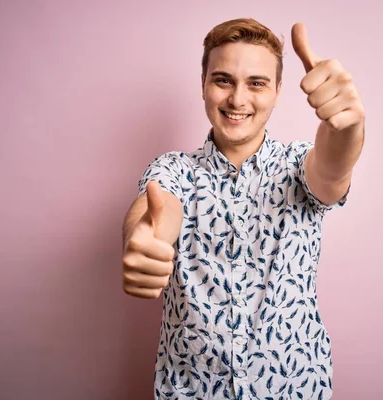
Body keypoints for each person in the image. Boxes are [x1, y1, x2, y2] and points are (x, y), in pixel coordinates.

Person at [122, 17, 365, 400]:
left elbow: (333, 170)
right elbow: (155, 211)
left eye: (256, 83)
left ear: (278, 91)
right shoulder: (173, 170)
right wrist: (144, 239)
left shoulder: (300, 165)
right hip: (190, 391)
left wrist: (346, 127)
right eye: (223, 80)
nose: (238, 99)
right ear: (203, 84)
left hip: (294, 387)